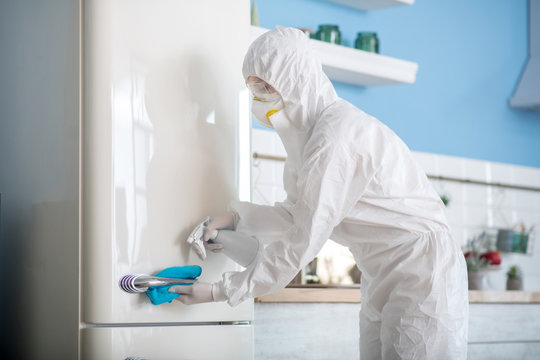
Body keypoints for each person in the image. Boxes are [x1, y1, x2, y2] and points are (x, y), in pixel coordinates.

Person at [170, 26, 469, 359]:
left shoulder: (337, 136)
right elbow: (295, 213)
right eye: (255, 88)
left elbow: (303, 238)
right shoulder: (307, 142)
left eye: (266, 86)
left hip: (421, 268)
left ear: (296, 79)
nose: (260, 97)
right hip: (380, 269)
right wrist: (236, 219)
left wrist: (219, 290)